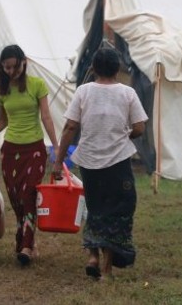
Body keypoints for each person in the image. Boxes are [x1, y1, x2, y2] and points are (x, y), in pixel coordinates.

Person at [53, 47, 148, 281]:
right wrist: (124, 133)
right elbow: (139, 128)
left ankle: (92, 256)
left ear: (93, 69)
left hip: (89, 161)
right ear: (118, 69)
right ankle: (106, 268)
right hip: (117, 161)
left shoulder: (83, 91)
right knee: (117, 208)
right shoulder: (127, 93)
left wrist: (58, 162)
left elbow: (70, 127)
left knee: (95, 207)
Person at [0, 44, 59, 266]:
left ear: (24, 62)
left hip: (34, 149)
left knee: (29, 194)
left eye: (14, 67)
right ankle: (25, 239)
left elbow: (47, 118)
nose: (11, 71)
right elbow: (3, 120)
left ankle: (27, 246)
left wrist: (56, 146)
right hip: (11, 149)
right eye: (6, 67)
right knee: (16, 198)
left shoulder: (37, 85)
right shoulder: (1, 90)